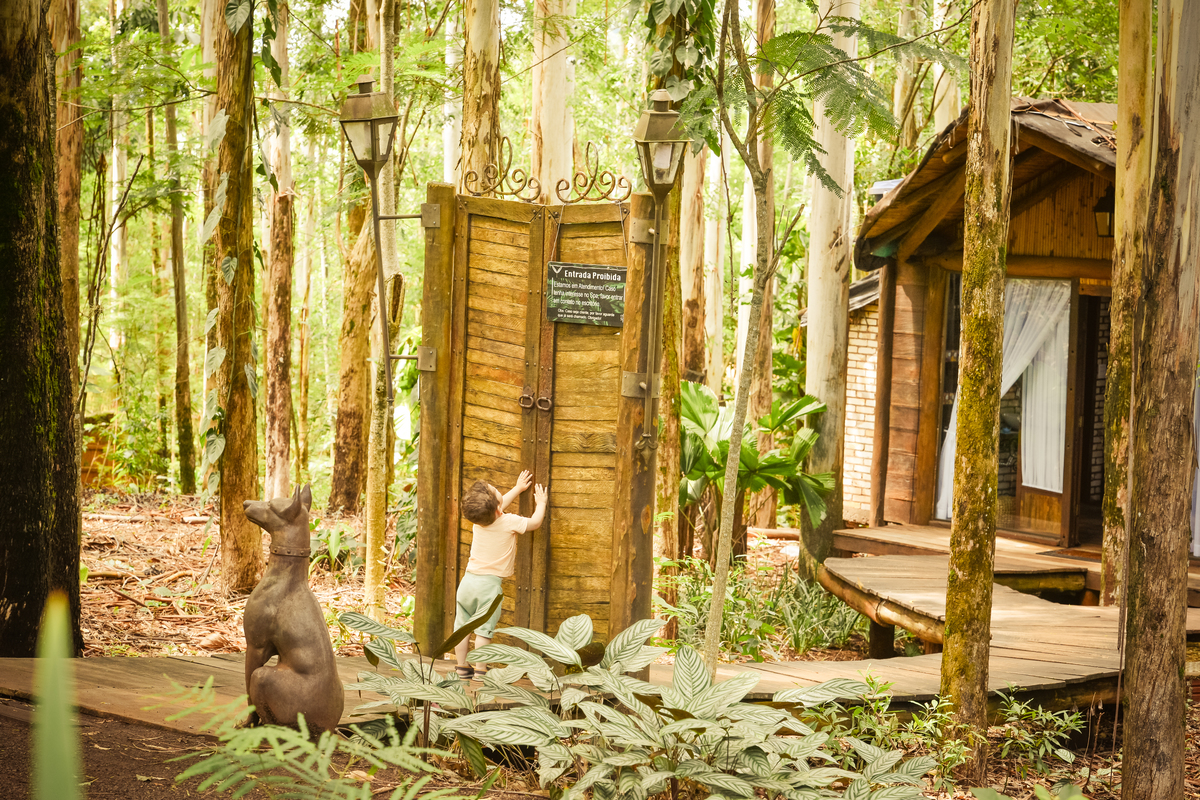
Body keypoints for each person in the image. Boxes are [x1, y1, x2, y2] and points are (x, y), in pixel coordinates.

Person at [453, 469, 547, 679]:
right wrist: (541, 503)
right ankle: (480, 671)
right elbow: (535, 523)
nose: (501, 496)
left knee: (462, 628)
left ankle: (461, 667)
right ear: (498, 510)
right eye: (498, 494)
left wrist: (517, 488)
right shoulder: (509, 521)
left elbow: (497, 506)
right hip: (489, 587)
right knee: (483, 631)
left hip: (467, 583)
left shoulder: (478, 523)